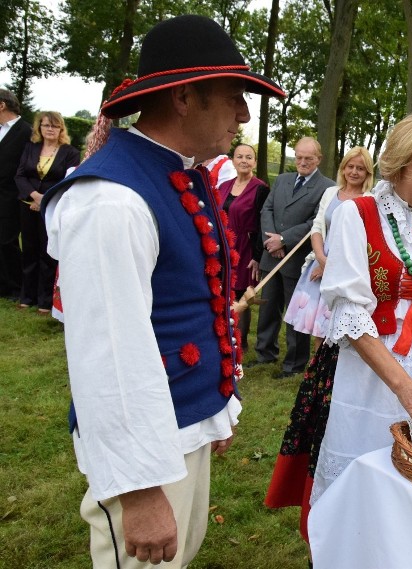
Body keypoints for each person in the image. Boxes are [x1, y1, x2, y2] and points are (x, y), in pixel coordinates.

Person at [42, 15, 285, 567]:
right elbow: (110, 357)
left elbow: (200, 305)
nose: (244, 115)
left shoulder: (178, 173)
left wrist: (215, 405)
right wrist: (140, 491)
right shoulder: (111, 199)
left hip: (181, 422)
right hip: (146, 449)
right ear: (183, 97)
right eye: (232, 97)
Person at [310, 111, 412, 505]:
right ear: (397, 168)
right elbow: (350, 313)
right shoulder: (357, 214)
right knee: (363, 477)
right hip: (371, 374)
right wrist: (403, 386)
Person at [265, 146, 374, 542]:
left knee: (333, 327)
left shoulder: (370, 200)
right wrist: (322, 261)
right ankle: (308, 366)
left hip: (348, 273)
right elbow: (317, 227)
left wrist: (339, 268)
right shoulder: (331, 195)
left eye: (363, 168)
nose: (356, 171)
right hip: (321, 265)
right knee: (311, 324)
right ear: (344, 168)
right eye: (351, 166)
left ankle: (322, 368)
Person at [255, 137, 335, 376]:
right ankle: (265, 353)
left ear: (318, 159)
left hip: (297, 258)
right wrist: (272, 241)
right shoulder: (282, 180)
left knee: (296, 312)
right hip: (271, 254)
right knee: (268, 308)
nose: (302, 162)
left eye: (308, 158)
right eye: (299, 157)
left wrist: (285, 239)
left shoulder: (327, 188)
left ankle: (294, 363)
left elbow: (316, 223)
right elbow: (267, 209)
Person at [15, 111, 80, 313]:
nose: (50, 129)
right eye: (45, 125)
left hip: (52, 206)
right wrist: (34, 196)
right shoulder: (30, 147)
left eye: (54, 126)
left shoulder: (70, 152)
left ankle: (45, 300)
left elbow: (68, 181)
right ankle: (27, 296)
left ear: (61, 129)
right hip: (28, 204)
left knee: (48, 252)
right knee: (29, 251)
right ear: (39, 128)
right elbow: (20, 175)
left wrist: (45, 200)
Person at [217, 143, 269, 349]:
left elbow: (262, 224)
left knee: (242, 293)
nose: (244, 161)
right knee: (222, 289)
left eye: (249, 157)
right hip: (223, 245)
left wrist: (257, 256)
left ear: (254, 162)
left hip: (246, 247)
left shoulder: (261, 189)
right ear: (233, 160)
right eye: (240, 157)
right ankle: (221, 334)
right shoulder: (224, 186)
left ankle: (240, 341)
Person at [0, 90, 31, 300]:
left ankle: (15, 285)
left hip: (11, 194)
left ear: (2, 105)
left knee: (7, 241)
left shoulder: (25, 131)